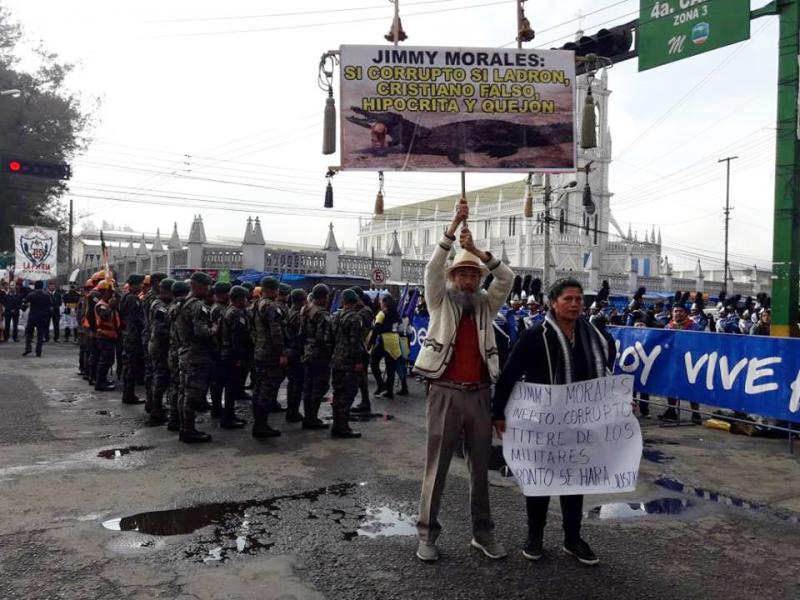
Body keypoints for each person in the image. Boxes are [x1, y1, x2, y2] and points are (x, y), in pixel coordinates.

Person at [413, 198, 513, 563]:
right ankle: (427, 534)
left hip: (480, 395)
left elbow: (507, 278)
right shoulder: (440, 301)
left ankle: (482, 534)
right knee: (436, 466)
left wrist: (475, 251)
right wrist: (454, 228)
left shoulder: (487, 303)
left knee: (480, 468)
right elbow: (431, 270)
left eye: (473, 274)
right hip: (445, 392)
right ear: (453, 278)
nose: (469, 280)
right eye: (462, 274)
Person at [493, 278, 615, 566]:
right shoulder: (537, 335)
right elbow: (509, 373)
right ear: (553, 302)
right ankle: (534, 536)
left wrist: (619, 403)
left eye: (578, 299)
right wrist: (497, 412)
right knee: (541, 482)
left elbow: (604, 377)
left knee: (574, 483)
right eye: (568, 299)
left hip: (579, 422)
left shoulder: (594, 337)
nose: (574, 304)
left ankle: (573, 538)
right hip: (543, 422)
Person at [174, 272, 215, 443]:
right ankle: (188, 430)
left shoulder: (182, 303)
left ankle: (183, 426)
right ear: (199, 286)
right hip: (196, 355)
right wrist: (214, 329)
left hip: (185, 352)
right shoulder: (197, 305)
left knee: (184, 392)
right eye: (206, 287)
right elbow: (202, 332)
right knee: (192, 394)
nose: (208, 290)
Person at [329, 288, 367, 438]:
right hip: (349, 362)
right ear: (356, 302)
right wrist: (358, 361)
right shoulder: (354, 318)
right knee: (347, 394)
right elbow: (355, 343)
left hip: (336, 360)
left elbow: (329, 339)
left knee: (337, 394)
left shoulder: (335, 316)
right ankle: (342, 427)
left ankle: (336, 425)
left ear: (343, 301)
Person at [252, 276, 284, 438]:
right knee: (267, 390)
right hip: (270, 354)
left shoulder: (256, 304)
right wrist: (282, 353)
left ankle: (259, 423)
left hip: (259, 351)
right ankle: (261, 426)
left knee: (258, 388)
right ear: (274, 289)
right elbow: (276, 333)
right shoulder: (271, 306)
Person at [659, 304, 701, 424]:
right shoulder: (668, 327)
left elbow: (700, 344)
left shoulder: (695, 327)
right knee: (671, 387)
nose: (678, 313)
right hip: (673, 363)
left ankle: (695, 413)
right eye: (675, 311)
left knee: (692, 388)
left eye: (681, 311)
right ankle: (672, 411)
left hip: (691, 363)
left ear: (686, 313)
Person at [301, 283, 334, 430]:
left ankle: (308, 416)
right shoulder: (322, 314)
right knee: (320, 385)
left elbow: (301, 333)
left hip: (307, 351)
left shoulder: (305, 308)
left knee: (308, 385)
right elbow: (323, 338)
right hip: (319, 354)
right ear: (323, 297)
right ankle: (312, 418)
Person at [218, 285, 250, 429]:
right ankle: (227, 417)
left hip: (227, 353)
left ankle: (229, 415)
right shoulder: (236, 313)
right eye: (244, 298)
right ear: (239, 298)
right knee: (231, 387)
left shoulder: (228, 311)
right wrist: (239, 358)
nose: (246, 300)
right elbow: (238, 338)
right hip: (233, 354)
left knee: (230, 387)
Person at [146, 278, 174, 425]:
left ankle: (155, 406)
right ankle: (156, 411)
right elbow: (160, 329)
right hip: (160, 346)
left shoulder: (162, 304)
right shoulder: (160, 307)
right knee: (160, 378)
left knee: (158, 377)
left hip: (158, 345)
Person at [141, 273, 168, 414]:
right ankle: (153, 404)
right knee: (154, 373)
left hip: (149, 336)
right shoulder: (153, 298)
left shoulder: (150, 296)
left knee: (151, 372)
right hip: (153, 337)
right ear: (156, 283)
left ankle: (151, 403)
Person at [166, 280, 190, 432]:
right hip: (179, 350)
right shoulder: (183, 307)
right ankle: (176, 419)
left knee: (175, 385)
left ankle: (173, 417)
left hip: (174, 349)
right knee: (180, 387)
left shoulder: (172, 307)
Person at [119, 274, 146, 405]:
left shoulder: (125, 297)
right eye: (140, 283)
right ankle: (129, 395)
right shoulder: (132, 298)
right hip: (133, 336)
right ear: (134, 284)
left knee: (128, 366)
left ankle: (128, 394)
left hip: (128, 334)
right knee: (131, 367)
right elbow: (138, 319)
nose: (142, 286)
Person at [370, 294, 401, 399]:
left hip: (384, 340)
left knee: (373, 361)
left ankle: (380, 384)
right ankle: (390, 391)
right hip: (395, 340)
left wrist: (370, 344)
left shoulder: (382, 314)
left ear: (385, 303)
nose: (380, 304)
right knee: (390, 367)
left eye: (381, 302)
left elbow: (376, 330)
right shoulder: (396, 313)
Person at [284, 288, 307, 423]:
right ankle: (293, 412)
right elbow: (301, 335)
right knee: (296, 384)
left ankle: (291, 410)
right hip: (296, 352)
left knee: (292, 383)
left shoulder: (288, 311)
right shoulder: (298, 315)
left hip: (290, 351)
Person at [209, 281, 232, 419]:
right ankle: (217, 409)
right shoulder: (219, 309)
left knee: (217, 381)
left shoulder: (219, 307)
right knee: (218, 382)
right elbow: (219, 331)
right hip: (219, 350)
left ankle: (216, 408)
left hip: (218, 349)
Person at [93, 280, 119, 392]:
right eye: (109, 293)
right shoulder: (101, 305)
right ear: (105, 293)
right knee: (105, 360)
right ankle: (100, 383)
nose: (111, 295)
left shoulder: (107, 304)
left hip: (111, 335)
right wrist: (111, 307)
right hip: (104, 335)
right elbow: (104, 316)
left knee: (110, 360)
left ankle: (103, 380)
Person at [352, 287, 374, 413]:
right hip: (356, 348)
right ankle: (364, 402)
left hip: (361, 348)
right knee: (360, 378)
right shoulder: (358, 310)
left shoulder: (365, 311)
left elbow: (359, 325)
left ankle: (365, 402)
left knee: (361, 378)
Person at [22, 281, 50, 357]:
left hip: (32, 317)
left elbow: (24, 303)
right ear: (42, 286)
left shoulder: (31, 295)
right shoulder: (47, 296)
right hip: (42, 318)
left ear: (35, 286)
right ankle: (38, 351)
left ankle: (28, 348)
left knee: (29, 333)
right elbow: (49, 307)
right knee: (40, 335)